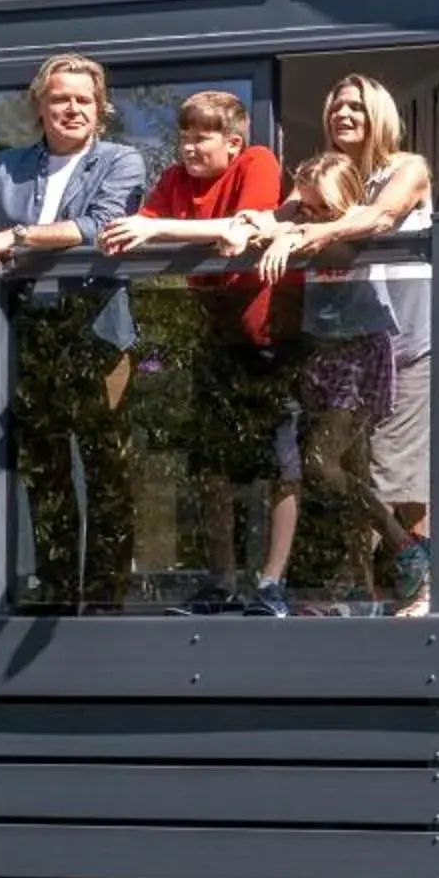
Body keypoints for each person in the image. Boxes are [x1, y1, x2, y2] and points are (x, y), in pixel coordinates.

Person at [0, 52, 149, 611]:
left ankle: (104, 602)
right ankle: (55, 595)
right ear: (41, 107)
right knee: (44, 472)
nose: (72, 109)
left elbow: (100, 226)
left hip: (97, 334)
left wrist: (13, 236)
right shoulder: (7, 165)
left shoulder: (121, 161)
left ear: (100, 109)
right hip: (27, 334)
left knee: (108, 472)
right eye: (60, 99)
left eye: (83, 99)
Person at [97, 89, 298, 615]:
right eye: (183, 137)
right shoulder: (173, 181)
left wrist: (160, 226)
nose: (188, 148)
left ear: (233, 143)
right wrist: (154, 228)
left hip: (271, 339)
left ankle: (272, 584)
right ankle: (222, 582)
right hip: (213, 337)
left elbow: (250, 223)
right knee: (212, 466)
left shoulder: (258, 161)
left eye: (201, 137)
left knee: (283, 465)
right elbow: (137, 233)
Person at [248, 75, 434, 613]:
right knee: (351, 469)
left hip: (409, 342)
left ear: (379, 113)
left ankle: (424, 585)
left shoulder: (406, 168)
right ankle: (369, 592)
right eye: (336, 107)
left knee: (400, 476)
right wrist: (245, 227)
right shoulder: (328, 176)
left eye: (356, 106)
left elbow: (379, 217)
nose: (343, 115)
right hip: (341, 340)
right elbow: (272, 218)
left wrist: (304, 234)